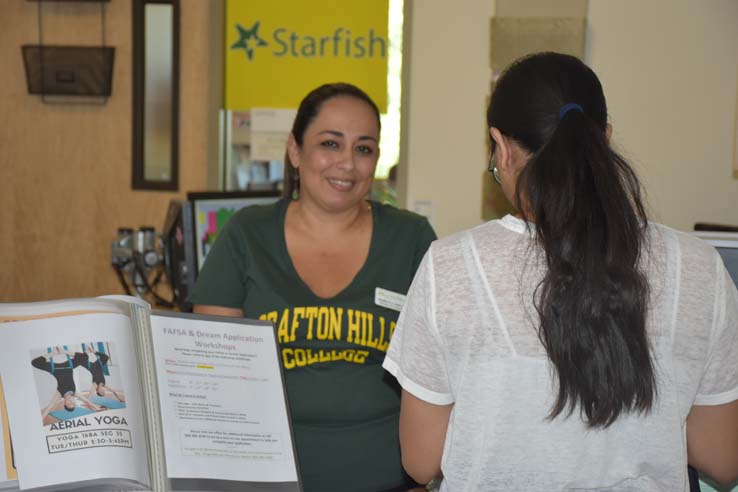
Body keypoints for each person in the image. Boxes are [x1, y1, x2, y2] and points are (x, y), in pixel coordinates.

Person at [383, 52, 738, 491]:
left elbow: (422, 460)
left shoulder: (449, 266)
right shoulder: (699, 266)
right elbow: (722, 460)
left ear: (502, 146)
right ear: (604, 139)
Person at [190, 82, 437, 492]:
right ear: (294, 151)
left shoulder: (410, 239)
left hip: (388, 479)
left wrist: (421, 478)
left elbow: (439, 375)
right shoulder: (246, 235)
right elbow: (213, 378)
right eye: (330, 143)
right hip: (266, 479)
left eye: (364, 148)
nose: (347, 164)